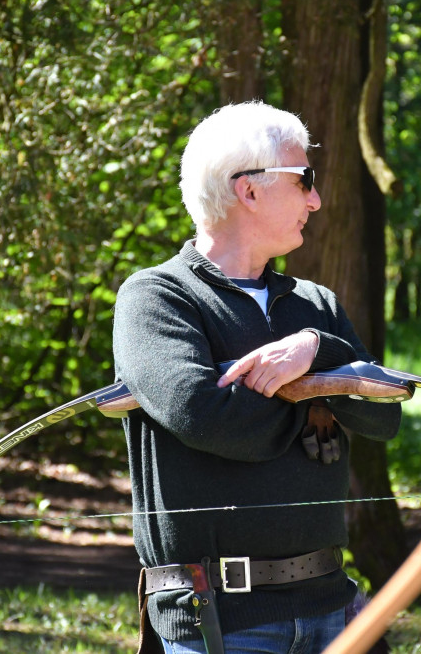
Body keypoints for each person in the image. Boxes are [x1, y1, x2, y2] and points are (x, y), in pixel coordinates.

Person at [113, 101, 402, 654]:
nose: (315, 200)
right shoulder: (155, 298)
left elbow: (382, 416)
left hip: (331, 611)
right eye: (304, 181)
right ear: (248, 190)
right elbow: (206, 417)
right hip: (218, 622)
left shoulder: (317, 307)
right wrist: (321, 396)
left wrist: (317, 350)